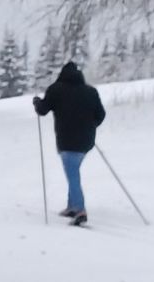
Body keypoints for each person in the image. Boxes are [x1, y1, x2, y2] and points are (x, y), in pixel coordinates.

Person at [34, 61, 106, 225]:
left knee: (72, 174)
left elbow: (43, 110)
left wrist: (37, 103)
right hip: (86, 141)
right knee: (74, 171)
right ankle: (72, 206)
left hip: (67, 140)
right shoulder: (91, 91)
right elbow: (101, 115)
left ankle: (80, 209)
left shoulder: (56, 89)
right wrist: (89, 126)